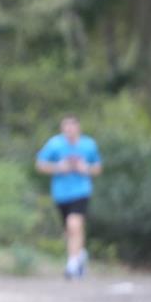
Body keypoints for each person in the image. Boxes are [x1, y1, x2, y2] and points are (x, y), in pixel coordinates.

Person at [35, 115, 102, 279]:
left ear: (78, 128)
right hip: (61, 193)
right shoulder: (55, 144)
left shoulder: (89, 145)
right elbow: (40, 165)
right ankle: (80, 255)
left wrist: (85, 168)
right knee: (70, 230)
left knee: (74, 225)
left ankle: (72, 265)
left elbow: (98, 168)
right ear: (62, 129)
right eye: (66, 127)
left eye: (72, 127)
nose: (69, 130)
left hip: (81, 191)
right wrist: (58, 167)